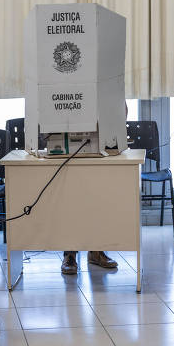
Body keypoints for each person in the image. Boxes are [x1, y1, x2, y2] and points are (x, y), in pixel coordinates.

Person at [61, 102, 129, 274]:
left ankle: (96, 251)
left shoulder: (105, 82)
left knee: (97, 202)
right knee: (71, 204)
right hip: (70, 149)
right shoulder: (67, 80)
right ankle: (70, 254)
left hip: (99, 148)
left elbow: (122, 109)